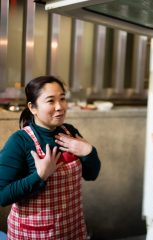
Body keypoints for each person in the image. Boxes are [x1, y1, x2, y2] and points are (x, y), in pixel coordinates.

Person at [0, 76, 101, 239]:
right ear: (33, 108)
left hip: (71, 228)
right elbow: (2, 196)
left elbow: (91, 175)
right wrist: (39, 176)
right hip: (33, 233)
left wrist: (89, 152)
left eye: (62, 99)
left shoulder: (69, 131)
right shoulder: (20, 141)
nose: (60, 106)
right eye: (51, 101)